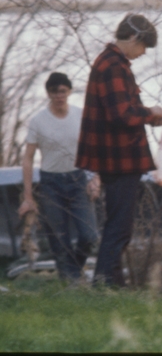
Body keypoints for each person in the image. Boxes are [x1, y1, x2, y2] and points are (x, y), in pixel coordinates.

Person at [76, 14, 162, 287]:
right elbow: (122, 114)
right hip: (120, 159)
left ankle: (111, 282)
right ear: (134, 38)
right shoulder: (114, 66)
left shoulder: (107, 61)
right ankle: (104, 282)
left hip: (112, 158)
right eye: (143, 47)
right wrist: (151, 113)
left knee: (117, 224)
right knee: (119, 227)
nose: (142, 54)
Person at [18, 72, 99, 282]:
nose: (58, 95)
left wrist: (95, 179)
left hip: (78, 179)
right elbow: (28, 158)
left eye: (62, 90)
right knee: (58, 239)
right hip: (51, 183)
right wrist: (28, 196)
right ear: (48, 94)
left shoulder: (81, 116)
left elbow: (94, 148)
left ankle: (72, 270)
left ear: (69, 91)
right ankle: (69, 283)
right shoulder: (38, 121)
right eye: (54, 91)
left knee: (89, 236)